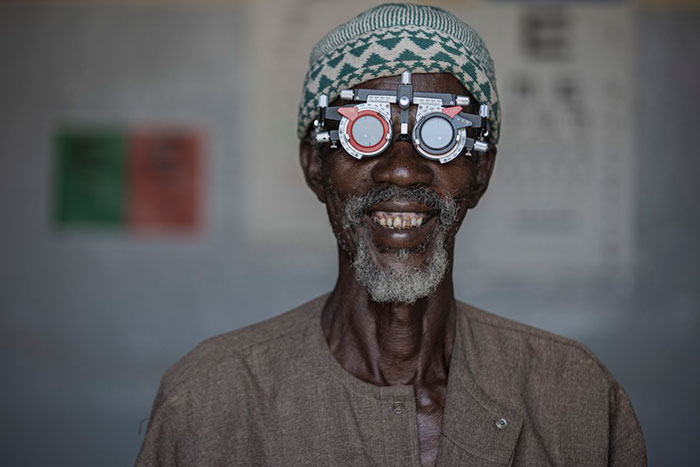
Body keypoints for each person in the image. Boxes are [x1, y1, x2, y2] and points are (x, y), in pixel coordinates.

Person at [136, 4, 646, 466]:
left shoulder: (574, 397)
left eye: (440, 133)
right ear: (314, 165)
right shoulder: (210, 403)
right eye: (365, 131)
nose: (402, 170)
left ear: (481, 172)